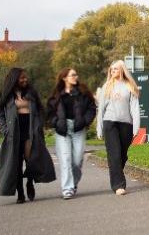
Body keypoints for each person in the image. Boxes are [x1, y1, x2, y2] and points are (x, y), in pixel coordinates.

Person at [0, 67, 56, 203]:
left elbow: (40, 110)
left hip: (30, 131)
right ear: (14, 79)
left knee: (31, 159)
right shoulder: (5, 94)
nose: (25, 80)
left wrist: (39, 124)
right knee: (15, 164)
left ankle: (30, 182)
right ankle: (20, 193)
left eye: (25, 77)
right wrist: (5, 129)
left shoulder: (31, 92)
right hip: (14, 132)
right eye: (22, 78)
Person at [46, 68, 96, 200]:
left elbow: (92, 108)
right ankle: (67, 188)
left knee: (77, 159)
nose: (76, 76)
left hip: (78, 128)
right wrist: (56, 122)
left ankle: (73, 184)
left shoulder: (83, 93)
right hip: (62, 130)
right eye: (72, 75)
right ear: (64, 78)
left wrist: (85, 121)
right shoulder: (56, 95)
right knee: (65, 159)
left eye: (76, 74)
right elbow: (49, 113)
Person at [97, 60, 140, 195]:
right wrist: (99, 127)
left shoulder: (130, 86)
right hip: (110, 122)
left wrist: (136, 127)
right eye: (111, 69)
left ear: (122, 70)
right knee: (114, 154)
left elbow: (134, 108)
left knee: (122, 155)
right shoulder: (107, 86)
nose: (112, 71)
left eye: (115, 69)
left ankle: (116, 173)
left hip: (126, 124)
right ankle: (118, 185)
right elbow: (101, 109)